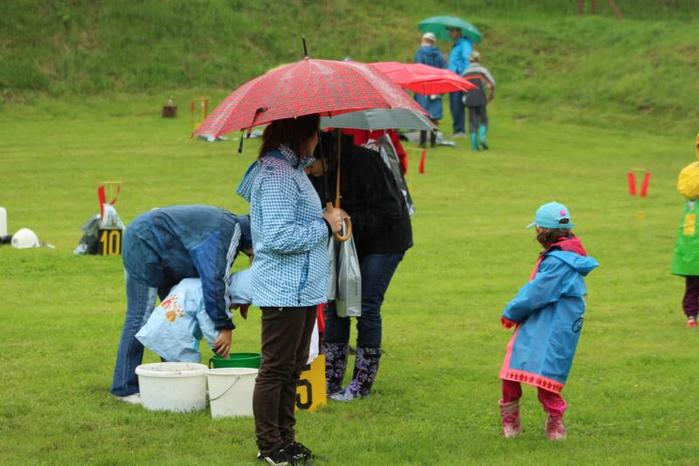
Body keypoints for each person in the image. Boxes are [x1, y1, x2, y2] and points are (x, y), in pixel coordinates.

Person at [237, 114, 344, 466]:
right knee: (277, 369)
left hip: (302, 288)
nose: (318, 141)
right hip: (284, 288)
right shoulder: (277, 174)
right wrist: (324, 225)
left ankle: (286, 440)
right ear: (302, 134)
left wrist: (326, 217)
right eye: (316, 134)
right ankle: (270, 446)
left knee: (293, 367)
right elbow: (278, 237)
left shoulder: (292, 170)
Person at [110, 205, 252, 403]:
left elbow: (217, 276)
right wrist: (224, 325)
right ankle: (124, 388)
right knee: (139, 316)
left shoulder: (229, 226)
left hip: (164, 254)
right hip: (144, 244)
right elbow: (214, 279)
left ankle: (176, 380)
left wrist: (241, 300)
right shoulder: (229, 232)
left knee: (175, 322)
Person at [311, 131, 412, 402]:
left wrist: (347, 218)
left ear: (325, 157)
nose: (308, 170)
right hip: (346, 244)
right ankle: (331, 377)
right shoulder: (316, 174)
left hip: (384, 242)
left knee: (366, 306)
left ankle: (362, 382)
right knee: (335, 304)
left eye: (311, 164)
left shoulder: (367, 162)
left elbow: (391, 212)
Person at [498, 202, 598, 440]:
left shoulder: (558, 262)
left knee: (533, 372)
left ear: (542, 231)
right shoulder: (567, 255)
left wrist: (511, 313)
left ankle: (547, 423)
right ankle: (535, 423)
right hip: (550, 324)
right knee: (530, 371)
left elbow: (536, 293)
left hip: (547, 325)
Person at [672, 133, 699, 328]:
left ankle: (691, 315)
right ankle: (691, 315)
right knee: (694, 282)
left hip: (691, 238)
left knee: (693, 282)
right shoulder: (692, 173)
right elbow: (689, 189)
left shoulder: (691, 172)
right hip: (693, 239)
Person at [414, 32, 447, 148]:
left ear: (424, 40)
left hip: (423, 86)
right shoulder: (439, 55)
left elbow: (417, 69)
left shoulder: (419, 53)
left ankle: (422, 141)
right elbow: (444, 71)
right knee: (434, 116)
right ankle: (433, 142)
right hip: (436, 86)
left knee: (423, 114)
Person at [462, 50, 496, 151]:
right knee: (484, 119)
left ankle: (474, 146)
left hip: (469, 99)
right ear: (478, 59)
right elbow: (492, 83)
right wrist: (491, 94)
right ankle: (482, 138)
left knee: (472, 121)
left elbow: (462, 87)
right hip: (480, 97)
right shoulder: (482, 71)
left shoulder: (464, 72)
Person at [447, 26, 473, 138]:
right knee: (453, 105)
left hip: (458, 79)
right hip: (453, 78)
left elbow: (467, 60)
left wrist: (463, 76)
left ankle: (460, 131)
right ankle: (457, 130)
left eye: (451, 31)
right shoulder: (457, 45)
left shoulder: (464, 44)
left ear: (457, 31)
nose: (449, 33)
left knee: (457, 104)